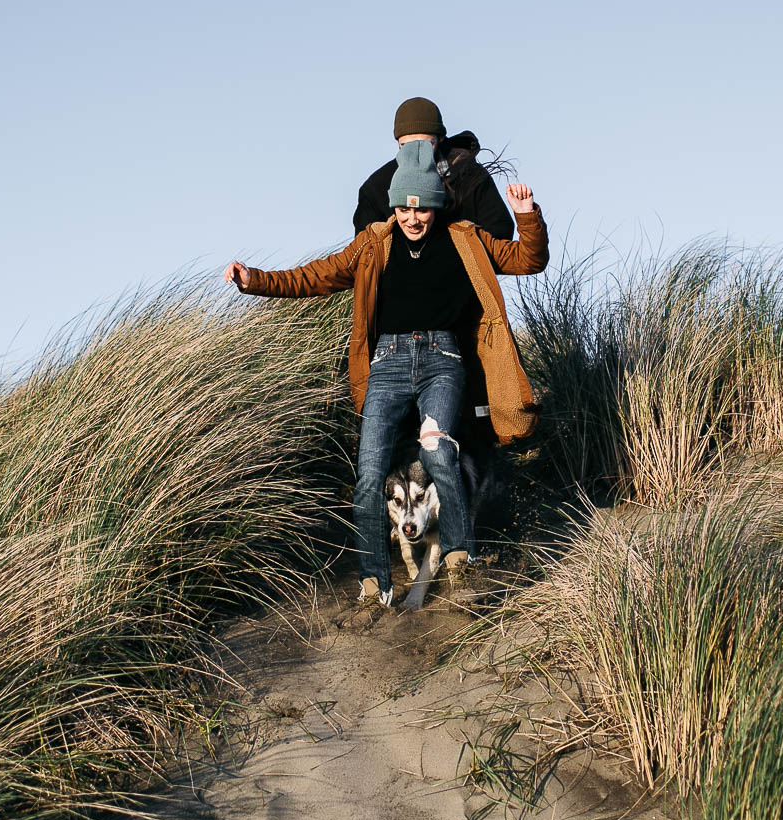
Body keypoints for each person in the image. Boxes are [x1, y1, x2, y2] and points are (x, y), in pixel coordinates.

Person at [225, 139, 548, 609]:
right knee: (369, 473)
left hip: (444, 360)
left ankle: (460, 562)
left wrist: (527, 217)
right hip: (388, 365)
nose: (412, 219)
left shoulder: (464, 239)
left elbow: (527, 259)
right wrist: (257, 280)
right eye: (403, 208)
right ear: (394, 204)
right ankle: (374, 582)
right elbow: (315, 276)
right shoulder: (373, 244)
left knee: (438, 451)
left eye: (421, 210)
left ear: (435, 206)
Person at [351, 97, 514, 241]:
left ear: (441, 138)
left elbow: (500, 231)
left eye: (426, 145)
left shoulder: (471, 175)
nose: (416, 152)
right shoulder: (376, 188)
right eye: (406, 146)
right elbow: (365, 248)